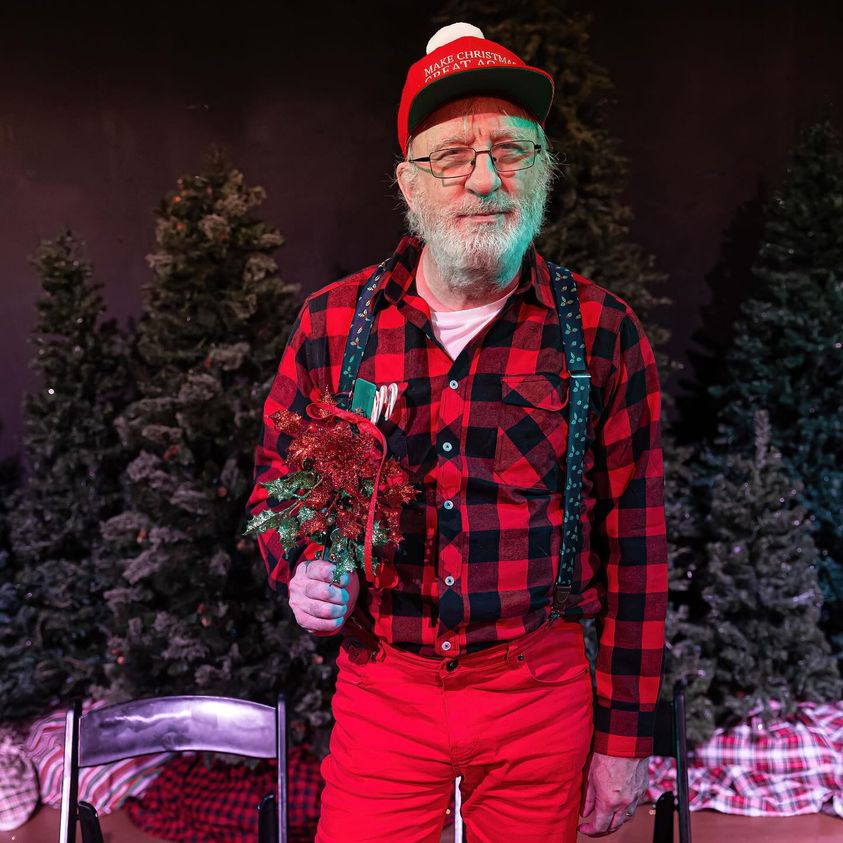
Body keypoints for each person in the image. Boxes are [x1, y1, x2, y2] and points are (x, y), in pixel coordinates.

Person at [247, 22, 668, 843]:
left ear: (542, 170)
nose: (485, 177)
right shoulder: (332, 324)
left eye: (511, 150)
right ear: (409, 183)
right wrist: (298, 567)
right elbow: (275, 482)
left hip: (537, 690)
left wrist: (624, 742)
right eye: (452, 157)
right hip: (385, 690)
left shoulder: (602, 332)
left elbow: (639, 548)